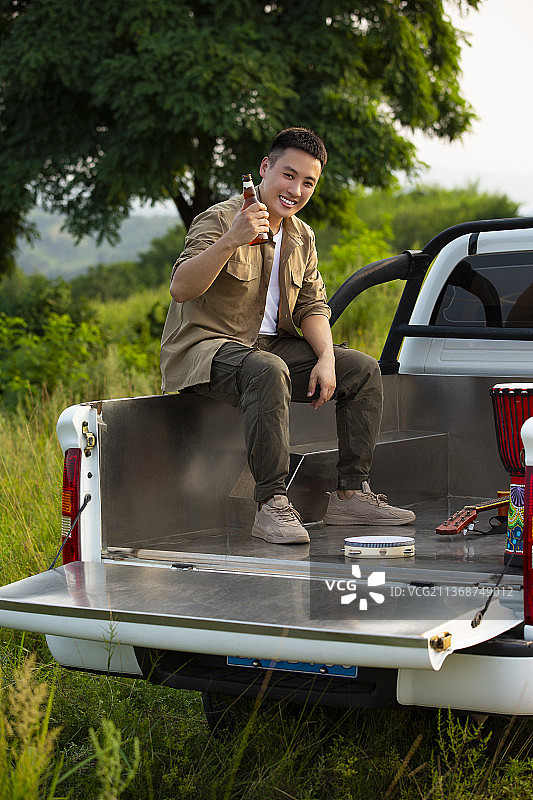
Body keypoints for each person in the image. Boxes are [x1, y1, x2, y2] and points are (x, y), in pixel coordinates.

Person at [160, 127, 415, 544]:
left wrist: (328, 360)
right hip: (205, 348)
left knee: (362, 370)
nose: (296, 189)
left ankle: (351, 495)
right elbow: (181, 288)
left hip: (266, 350)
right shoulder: (221, 218)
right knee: (268, 369)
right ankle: (271, 506)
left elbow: (313, 307)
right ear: (266, 168)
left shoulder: (301, 236)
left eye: (308, 182)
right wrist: (231, 240)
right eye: (288, 175)